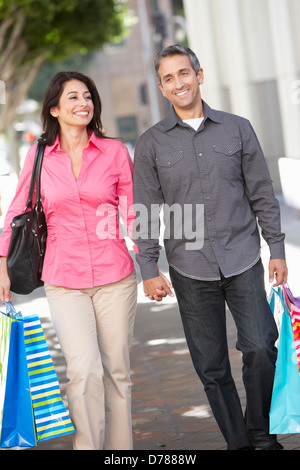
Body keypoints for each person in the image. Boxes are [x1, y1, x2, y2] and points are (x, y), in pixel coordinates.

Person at [133, 45, 288, 450]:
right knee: (212, 366)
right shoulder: (151, 144)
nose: (178, 83)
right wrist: (148, 269)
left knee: (259, 346)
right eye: (168, 78)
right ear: (162, 88)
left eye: (184, 73)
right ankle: (238, 443)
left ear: (199, 75)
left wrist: (277, 248)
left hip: (241, 258)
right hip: (189, 267)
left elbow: (262, 193)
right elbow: (146, 211)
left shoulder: (238, 128)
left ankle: (261, 434)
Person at [0, 71, 137, 450]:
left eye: (88, 96)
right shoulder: (39, 156)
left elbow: (132, 213)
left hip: (115, 277)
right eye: (73, 97)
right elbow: (17, 211)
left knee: (118, 373)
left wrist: (152, 267)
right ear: (55, 109)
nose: (83, 103)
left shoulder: (114, 152)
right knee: (83, 370)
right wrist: (1, 268)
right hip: (63, 279)